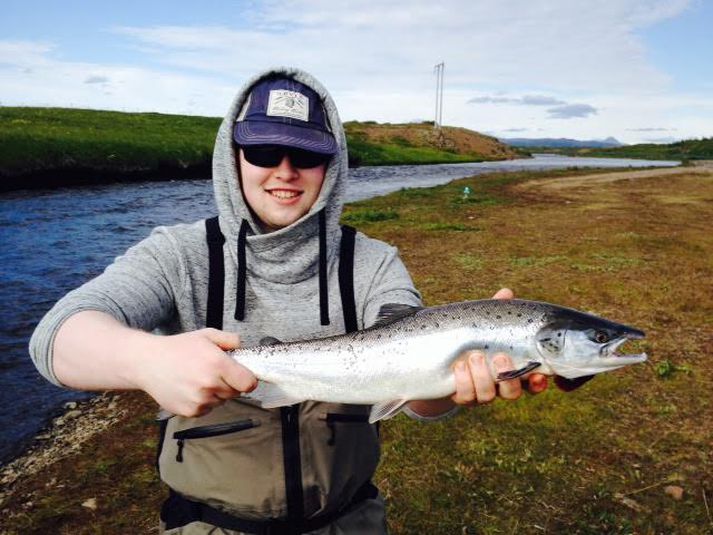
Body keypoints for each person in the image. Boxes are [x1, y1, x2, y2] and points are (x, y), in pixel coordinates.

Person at [30, 67, 548, 534]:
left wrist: (453, 378)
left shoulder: (374, 263)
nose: (284, 170)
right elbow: (56, 338)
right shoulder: (176, 255)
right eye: (262, 151)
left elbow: (417, 399)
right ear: (232, 158)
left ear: (332, 164)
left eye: (306, 154)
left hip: (350, 522)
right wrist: (145, 359)